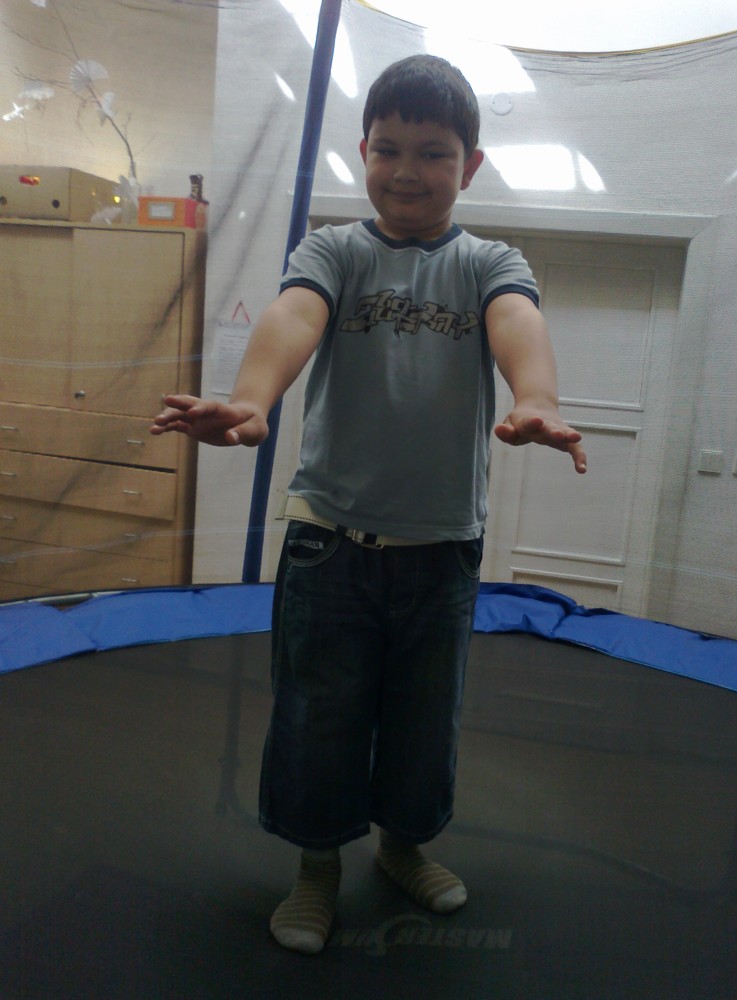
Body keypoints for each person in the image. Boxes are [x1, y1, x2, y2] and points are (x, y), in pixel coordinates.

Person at [151, 53, 587, 955]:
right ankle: (317, 869)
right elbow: (293, 317)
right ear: (362, 154)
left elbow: (518, 322)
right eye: (388, 149)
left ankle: (402, 847)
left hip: (441, 549)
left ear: (470, 165)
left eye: (433, 153)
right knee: (318, 717)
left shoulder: (488, 262)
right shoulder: (335, 251)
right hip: (331, 545)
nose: (407, 171)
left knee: (424, 722)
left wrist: (537, 396)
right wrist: (252, 401)